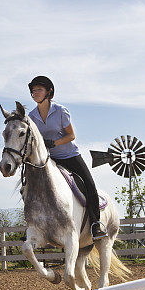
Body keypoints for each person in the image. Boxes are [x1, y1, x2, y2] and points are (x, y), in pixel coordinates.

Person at [27, 75, 107, 240]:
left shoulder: (61, 111)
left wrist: (54, 143)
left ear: (49, 92)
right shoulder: (31, 117)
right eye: (33, 91)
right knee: (31, 187)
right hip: (49, 160)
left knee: (89, 185)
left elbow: (71, 135)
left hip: (69, 155)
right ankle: (33, 226)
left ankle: (95, 225)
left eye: (39, 90)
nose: (35, 93)